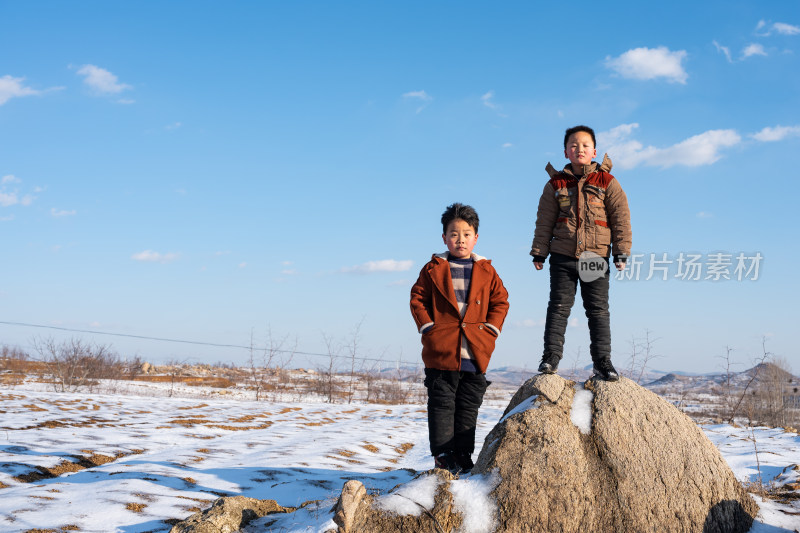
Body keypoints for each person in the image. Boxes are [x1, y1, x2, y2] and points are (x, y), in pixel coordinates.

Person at [410, 203, 509, 474]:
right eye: (454, 234)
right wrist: (428, 327)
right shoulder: (433, 268)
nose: (460, 239)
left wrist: (491, 329)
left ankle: (463, 456)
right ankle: (443, 456)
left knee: (468, 408)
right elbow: (417, 298)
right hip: (441, 351)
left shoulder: (487, 271)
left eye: (466, 234)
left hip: (476, 352)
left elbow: (501, 301)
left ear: (476, 238)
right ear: (444, 237)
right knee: (442, 405)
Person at [530, 125, 632, 381]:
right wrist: (539, 252)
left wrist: (621, 252)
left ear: (594, 151)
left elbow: (621, 218)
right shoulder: (555, 184)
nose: (580, 149)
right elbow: (544, 220)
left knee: (597, 310)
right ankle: (550, 359)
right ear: (566, 152)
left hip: (594, 257)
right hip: (562, 255)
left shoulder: (607, 181)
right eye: (574, 145)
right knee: (559, 308)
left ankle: (602, 362)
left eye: (585, 145)